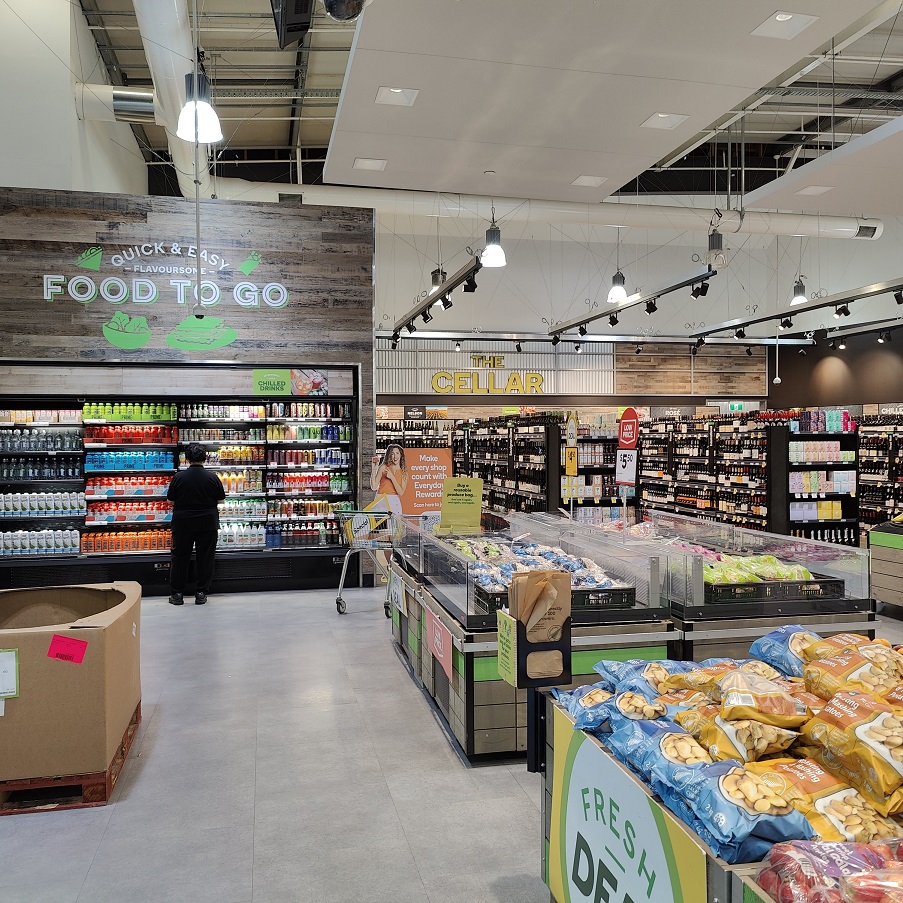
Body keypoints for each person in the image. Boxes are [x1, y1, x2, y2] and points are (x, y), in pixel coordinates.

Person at [166, 442, 225, 605]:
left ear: (187, 459)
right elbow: (221, 500)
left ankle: (177, 594)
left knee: (180, 557)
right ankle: (201, 593)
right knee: (205, 557)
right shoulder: (212, 477)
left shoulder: (179, 477)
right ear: (204, 458)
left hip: (183, 522)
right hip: (207, 522)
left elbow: (170, 501)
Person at [370, 443, 408, 513]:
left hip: (394, 502)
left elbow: (401, 492)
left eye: (397, 453)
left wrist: (392, 477)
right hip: (381, 500)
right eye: (392, 454)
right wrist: (374, 469)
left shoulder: (404, 473)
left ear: (401, 455)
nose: (395, 456)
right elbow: (374, 487)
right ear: (389, 455)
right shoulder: (383, 467)